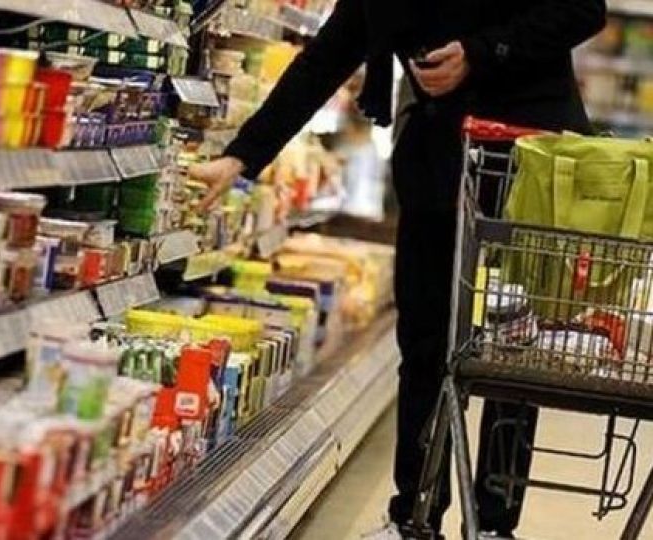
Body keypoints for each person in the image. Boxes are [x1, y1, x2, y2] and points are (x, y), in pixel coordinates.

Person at [189, 0, 606, 538]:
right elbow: (328, 56)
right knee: (425, 345)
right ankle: (414, 516)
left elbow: (582, 9)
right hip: (438, 161)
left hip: (526, 161)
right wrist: (243, 155)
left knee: (512, 353)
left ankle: (495, 523)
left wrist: (478, 55)